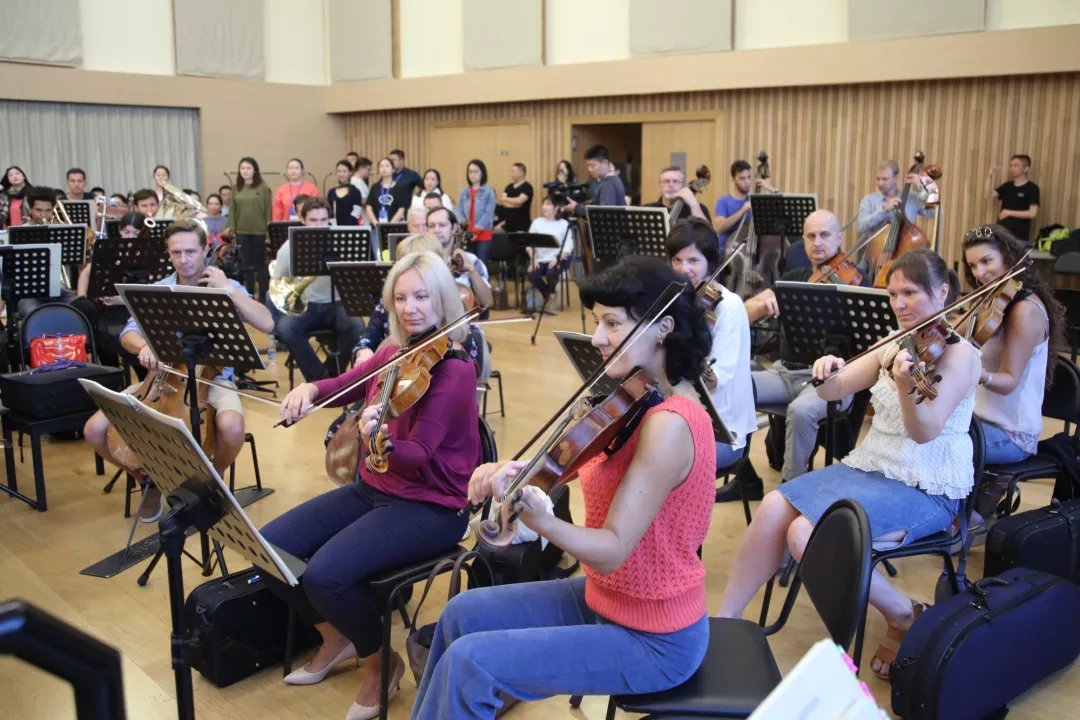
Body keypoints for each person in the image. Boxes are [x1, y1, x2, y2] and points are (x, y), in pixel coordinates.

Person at [410, 256, 715, 720]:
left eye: (612, 323)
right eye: (597, 322)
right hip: (605, 598)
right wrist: (506, 471)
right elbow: (561, 466)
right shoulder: (637, 399)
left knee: (472, 664)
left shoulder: (671, 423)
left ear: (663, 328)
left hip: (655, 638)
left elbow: (612, 550)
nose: (597, 338)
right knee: (461, 614)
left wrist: (544, 523)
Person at [717, 248, 978, 681]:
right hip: (869, 467)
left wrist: (905, 387)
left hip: (925, 485)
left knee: (805, 532)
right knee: (775, 505)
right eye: (893, 294)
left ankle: (903, 614)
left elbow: (925, 432)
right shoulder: (895, 343)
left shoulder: (960, 355)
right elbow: (832, 391)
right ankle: (725, 622)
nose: (899, 304)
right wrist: (826, 372)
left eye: (910, 293)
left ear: (943, 292)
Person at [266, 251, 478, 720]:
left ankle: (383, 664)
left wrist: (377, 436)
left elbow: (418, 453)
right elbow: (346, 383)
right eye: (400, 298)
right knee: (270, 548)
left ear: (443, 299)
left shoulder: (454, 368)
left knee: (325, 575)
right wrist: (310, 391)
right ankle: (336, 637)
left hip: (431, 505)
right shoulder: (393, 352)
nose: (410, 308)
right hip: (374, 489)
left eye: (421, 296)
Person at [83, 219, 273, 518]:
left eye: (190, 252)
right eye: (176, 253)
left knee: (231, 427)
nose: (183, 260)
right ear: (168, 253)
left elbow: (267, 323)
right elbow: (128, 334)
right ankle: (148, 479)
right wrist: (143, 347)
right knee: (94, 430)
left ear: (205, 250)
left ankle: (213, 478)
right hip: (161, 379)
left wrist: (228, 290)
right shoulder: (159, 289)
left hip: (213, 380)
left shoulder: (224, 286)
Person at [741, 210, 869, 497]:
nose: (817, 243)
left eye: (825, 235)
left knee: (800, 411)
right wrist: (762, 304)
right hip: (783, 373)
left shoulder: (855, 283)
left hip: (832, 379)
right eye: (811, 236)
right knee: (733, 387)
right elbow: (745, 312)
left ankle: (791, 492)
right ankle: (744, 477)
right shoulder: (795, 278)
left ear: (840, 238)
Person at [961, 223, 1064, 537]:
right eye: (973, 265)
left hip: (1010, 431)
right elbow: (962, 340)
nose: (980, 272)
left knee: (937, 439)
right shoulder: (991, 300)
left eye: (987, 261)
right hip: (980, 419)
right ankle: (954, 516)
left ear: (1008, 257)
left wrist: (973, 373)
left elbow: (1009, 382)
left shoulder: (1024, 310)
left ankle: (967, 520)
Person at [667, 218, 757, 492]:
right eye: (677, 260)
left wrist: (680, 352)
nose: (684, 270)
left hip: (721, 431)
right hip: (679, 414)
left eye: (693, 261)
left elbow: (713, 381)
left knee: (657, 460)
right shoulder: (677, 299)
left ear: (710, 262)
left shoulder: (727, 307)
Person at [352, 233, 486, 376]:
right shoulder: (389, 304)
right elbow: (365, 341)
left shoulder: (451, 309)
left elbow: (472, 363)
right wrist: (364, 352)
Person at [273, 197, 366, 383]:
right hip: (307, 304)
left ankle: (332, 375)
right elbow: (277, 282)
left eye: (324, 220)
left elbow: (356, 275)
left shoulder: (342, 242)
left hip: (337, 302)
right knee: (286, 329)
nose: (319, 225)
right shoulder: (289, 247)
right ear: (303, 220)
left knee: (358, 328)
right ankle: (318, 378)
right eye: (313, 220)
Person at [426, 206, 493, 309]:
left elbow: (487, 302)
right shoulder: (422, 261)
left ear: (454, 228)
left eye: (442, 225)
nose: (436, 230)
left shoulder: (472, 260)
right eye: (431, 226)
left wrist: (472, 270)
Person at [855, 160, 933, 247]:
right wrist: (884, 210)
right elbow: (861, 226)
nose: (880, 183)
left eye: (884, 179)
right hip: (876, 251)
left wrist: (922, 187)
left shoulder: (912, 198)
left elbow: (934, 213)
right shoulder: (869, 200)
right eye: (878, 179)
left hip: (905, 251)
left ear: (896, 178)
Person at [227, 156, 272, 301]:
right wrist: (232, 230)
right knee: (245, 265)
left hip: (259, 231)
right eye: (242, 168)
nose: (245, 171)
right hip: (242, 232)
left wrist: (268, 233)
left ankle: (263, 294)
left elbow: (268, 211)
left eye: (248, 168)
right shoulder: (236, 188)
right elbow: (232, 211)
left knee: (260, 264)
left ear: (255, 170)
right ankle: (249, 293)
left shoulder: (263, 188)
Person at [713, 159, 777, 253]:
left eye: (749, 177)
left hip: (748, 250)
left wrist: (773, 190)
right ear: (733, 179)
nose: (747, 182)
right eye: (742, 178)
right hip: (726, 251)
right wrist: (741, 212)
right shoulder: (723, 201)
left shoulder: (754, 201)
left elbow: (778, 214)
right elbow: (718, 228)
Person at [525, 195, 572, 314]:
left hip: (558, 258)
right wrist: (533, 259)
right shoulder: (537, 222)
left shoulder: (564, 223)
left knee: (552, 273)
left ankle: (550, 294)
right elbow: (529, 244)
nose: (544, 207)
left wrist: (557, 259)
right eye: (543, 204)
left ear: (556, 208)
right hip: (539, 259)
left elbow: (568, 246)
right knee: (532, 274)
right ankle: (549, 294)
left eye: (548, 204)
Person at [987, 155, 1040, 242]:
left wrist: (1008, 213)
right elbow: (988, 195)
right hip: (1001, 234)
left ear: (1026, 169)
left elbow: (1032, 213)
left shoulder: (1032, 188)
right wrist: (990, 176)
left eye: (1016, 165)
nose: (1012, 168)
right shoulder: (1007, 186)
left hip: (1018, 237)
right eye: (1011, 165)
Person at [564, 144, 626, 218]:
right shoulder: (615, 179)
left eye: (592, 165)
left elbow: (603, 214)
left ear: (605, 163)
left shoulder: (607, 183)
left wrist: (576, 208)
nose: (589, 169)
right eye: (588, 166)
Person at [456, 159, 496, 267]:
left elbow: (489, 213)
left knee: (481, 267)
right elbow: (458, 211)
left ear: (482, 173)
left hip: (483, 234)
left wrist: (476, 230)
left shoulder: (489, 191)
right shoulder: (463, 192)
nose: (472, 175)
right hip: (467, 235)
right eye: (470, 172)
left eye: (476, 171)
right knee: (467, 266)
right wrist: (466, 228)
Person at [645, 166, 710, 222]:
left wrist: (693, 204)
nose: (671, 185)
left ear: (683, 187)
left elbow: (707, 232)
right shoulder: (647, 210)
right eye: (666, 181)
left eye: (675, 181)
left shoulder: (698, 208)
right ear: (659, 187)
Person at [365, 157, 410, 226]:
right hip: (375, 226)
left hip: (394, 226)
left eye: (387, 166)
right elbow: (369, 207)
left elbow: (401, 209)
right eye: (381, 166)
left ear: (393, 170)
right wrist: (376, 223)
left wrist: (390, 225)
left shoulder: (399, 188)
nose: (384, 168)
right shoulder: (375, 187)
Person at [328, 159, 365, 227]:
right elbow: (329, 210)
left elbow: (356, 211)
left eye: (344, 171)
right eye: (339, 171)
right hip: (334, 226)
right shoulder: (331, 191)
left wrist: (347, 225)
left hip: (351, 227)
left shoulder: (355, 191)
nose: (341, 174)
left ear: (350, 172)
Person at [498, 162, 533, 233]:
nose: (511, 173)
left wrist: (506, 199)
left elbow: (520, 201)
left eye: (513, 171)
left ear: (522, 173)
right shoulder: (509, 186)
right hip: (508, 224)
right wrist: (514, 205)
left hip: (521, 225)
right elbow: (502, 200)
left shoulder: (527, 187)